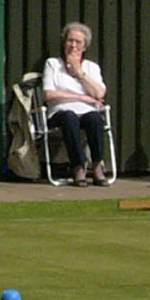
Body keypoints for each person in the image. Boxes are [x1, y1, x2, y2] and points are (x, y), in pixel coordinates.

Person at [41, 23, 110, 184]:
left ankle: (98, 165)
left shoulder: (91, 67)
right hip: (59, 113)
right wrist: (84, 97)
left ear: (85, 46)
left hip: (86, 113)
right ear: (64, 43)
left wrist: (80, 72)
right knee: (70, 117)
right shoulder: (53, 64)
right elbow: (48, 94)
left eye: (78, 42)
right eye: (69, 41)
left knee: (94, 118)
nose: (73, 45)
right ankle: (78, 167)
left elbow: (99, 93)